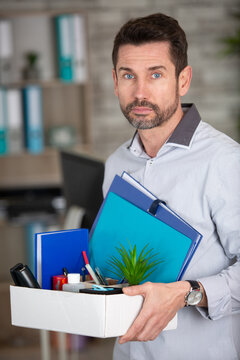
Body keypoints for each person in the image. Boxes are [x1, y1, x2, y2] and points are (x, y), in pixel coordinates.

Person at [102, 13, 240, 360]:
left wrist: (187, 292)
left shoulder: (225, 160)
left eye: (156, 74)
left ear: (183, 80)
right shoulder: (116, 164)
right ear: (115, 82)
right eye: (128, 75)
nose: (140, 92)